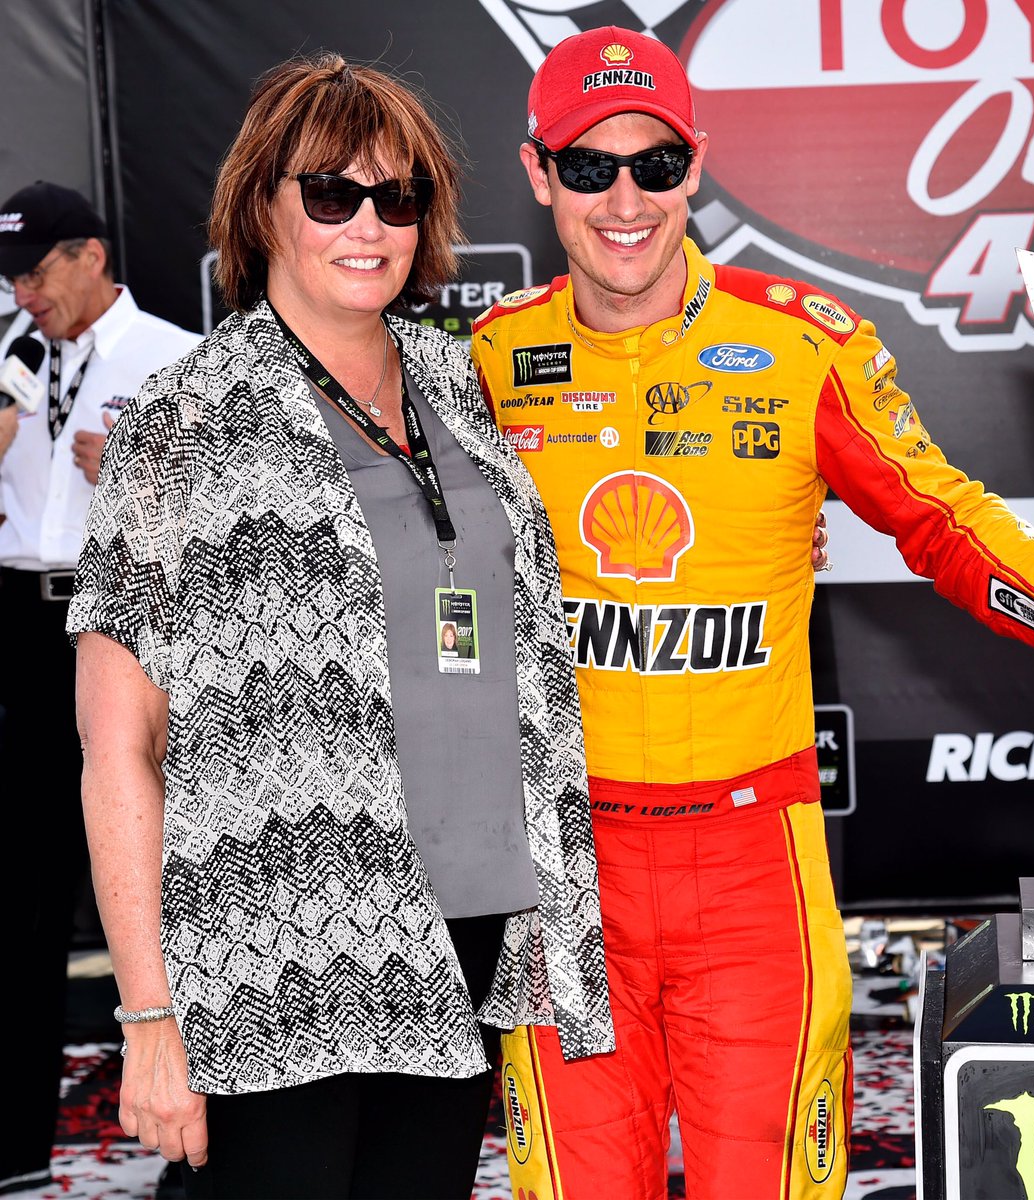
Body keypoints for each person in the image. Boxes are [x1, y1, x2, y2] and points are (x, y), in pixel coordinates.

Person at [469, 24, 1034, 1200]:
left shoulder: (799, 346)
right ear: (536, 173)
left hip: (750, 867)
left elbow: (937, 510)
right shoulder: (474, 362)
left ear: (697, 165)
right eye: (588, 167)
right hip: (559, 868)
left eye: (656, 166)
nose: (625, 200)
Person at [65, 53, 613, 1200]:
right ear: (262, 203)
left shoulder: (455, 383)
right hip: (282, 946)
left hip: (461, 917)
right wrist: (150, 1013)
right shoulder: (181, 424)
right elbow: (119, 745)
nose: (369, 224)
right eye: (332, 194)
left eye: (397, 197)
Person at [0, 180, 201, 1197]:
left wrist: (143, 467)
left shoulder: (171, 353)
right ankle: (14, 1147)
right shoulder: (11, 358)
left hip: (133, 623)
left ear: (91, 255)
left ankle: (197, 1135)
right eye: (10, 276)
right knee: (22, 888)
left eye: (36, 269)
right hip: (23, 625)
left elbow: (235, 509)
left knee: (164, 883)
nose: (24, 292)